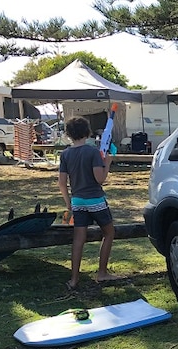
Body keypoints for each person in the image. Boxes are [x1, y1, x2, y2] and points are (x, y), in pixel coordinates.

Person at [58, 115, 123, 290]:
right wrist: (107, 163)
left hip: (77, 201)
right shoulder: (92, 152)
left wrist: (68, 203)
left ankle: (74, 279)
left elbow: (62, 183)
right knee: (109, 233)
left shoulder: (65, 154)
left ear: (69, 134)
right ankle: (102, 273)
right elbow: (100, 179)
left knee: (78, 239)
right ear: (87, 132)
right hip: (95, 200)